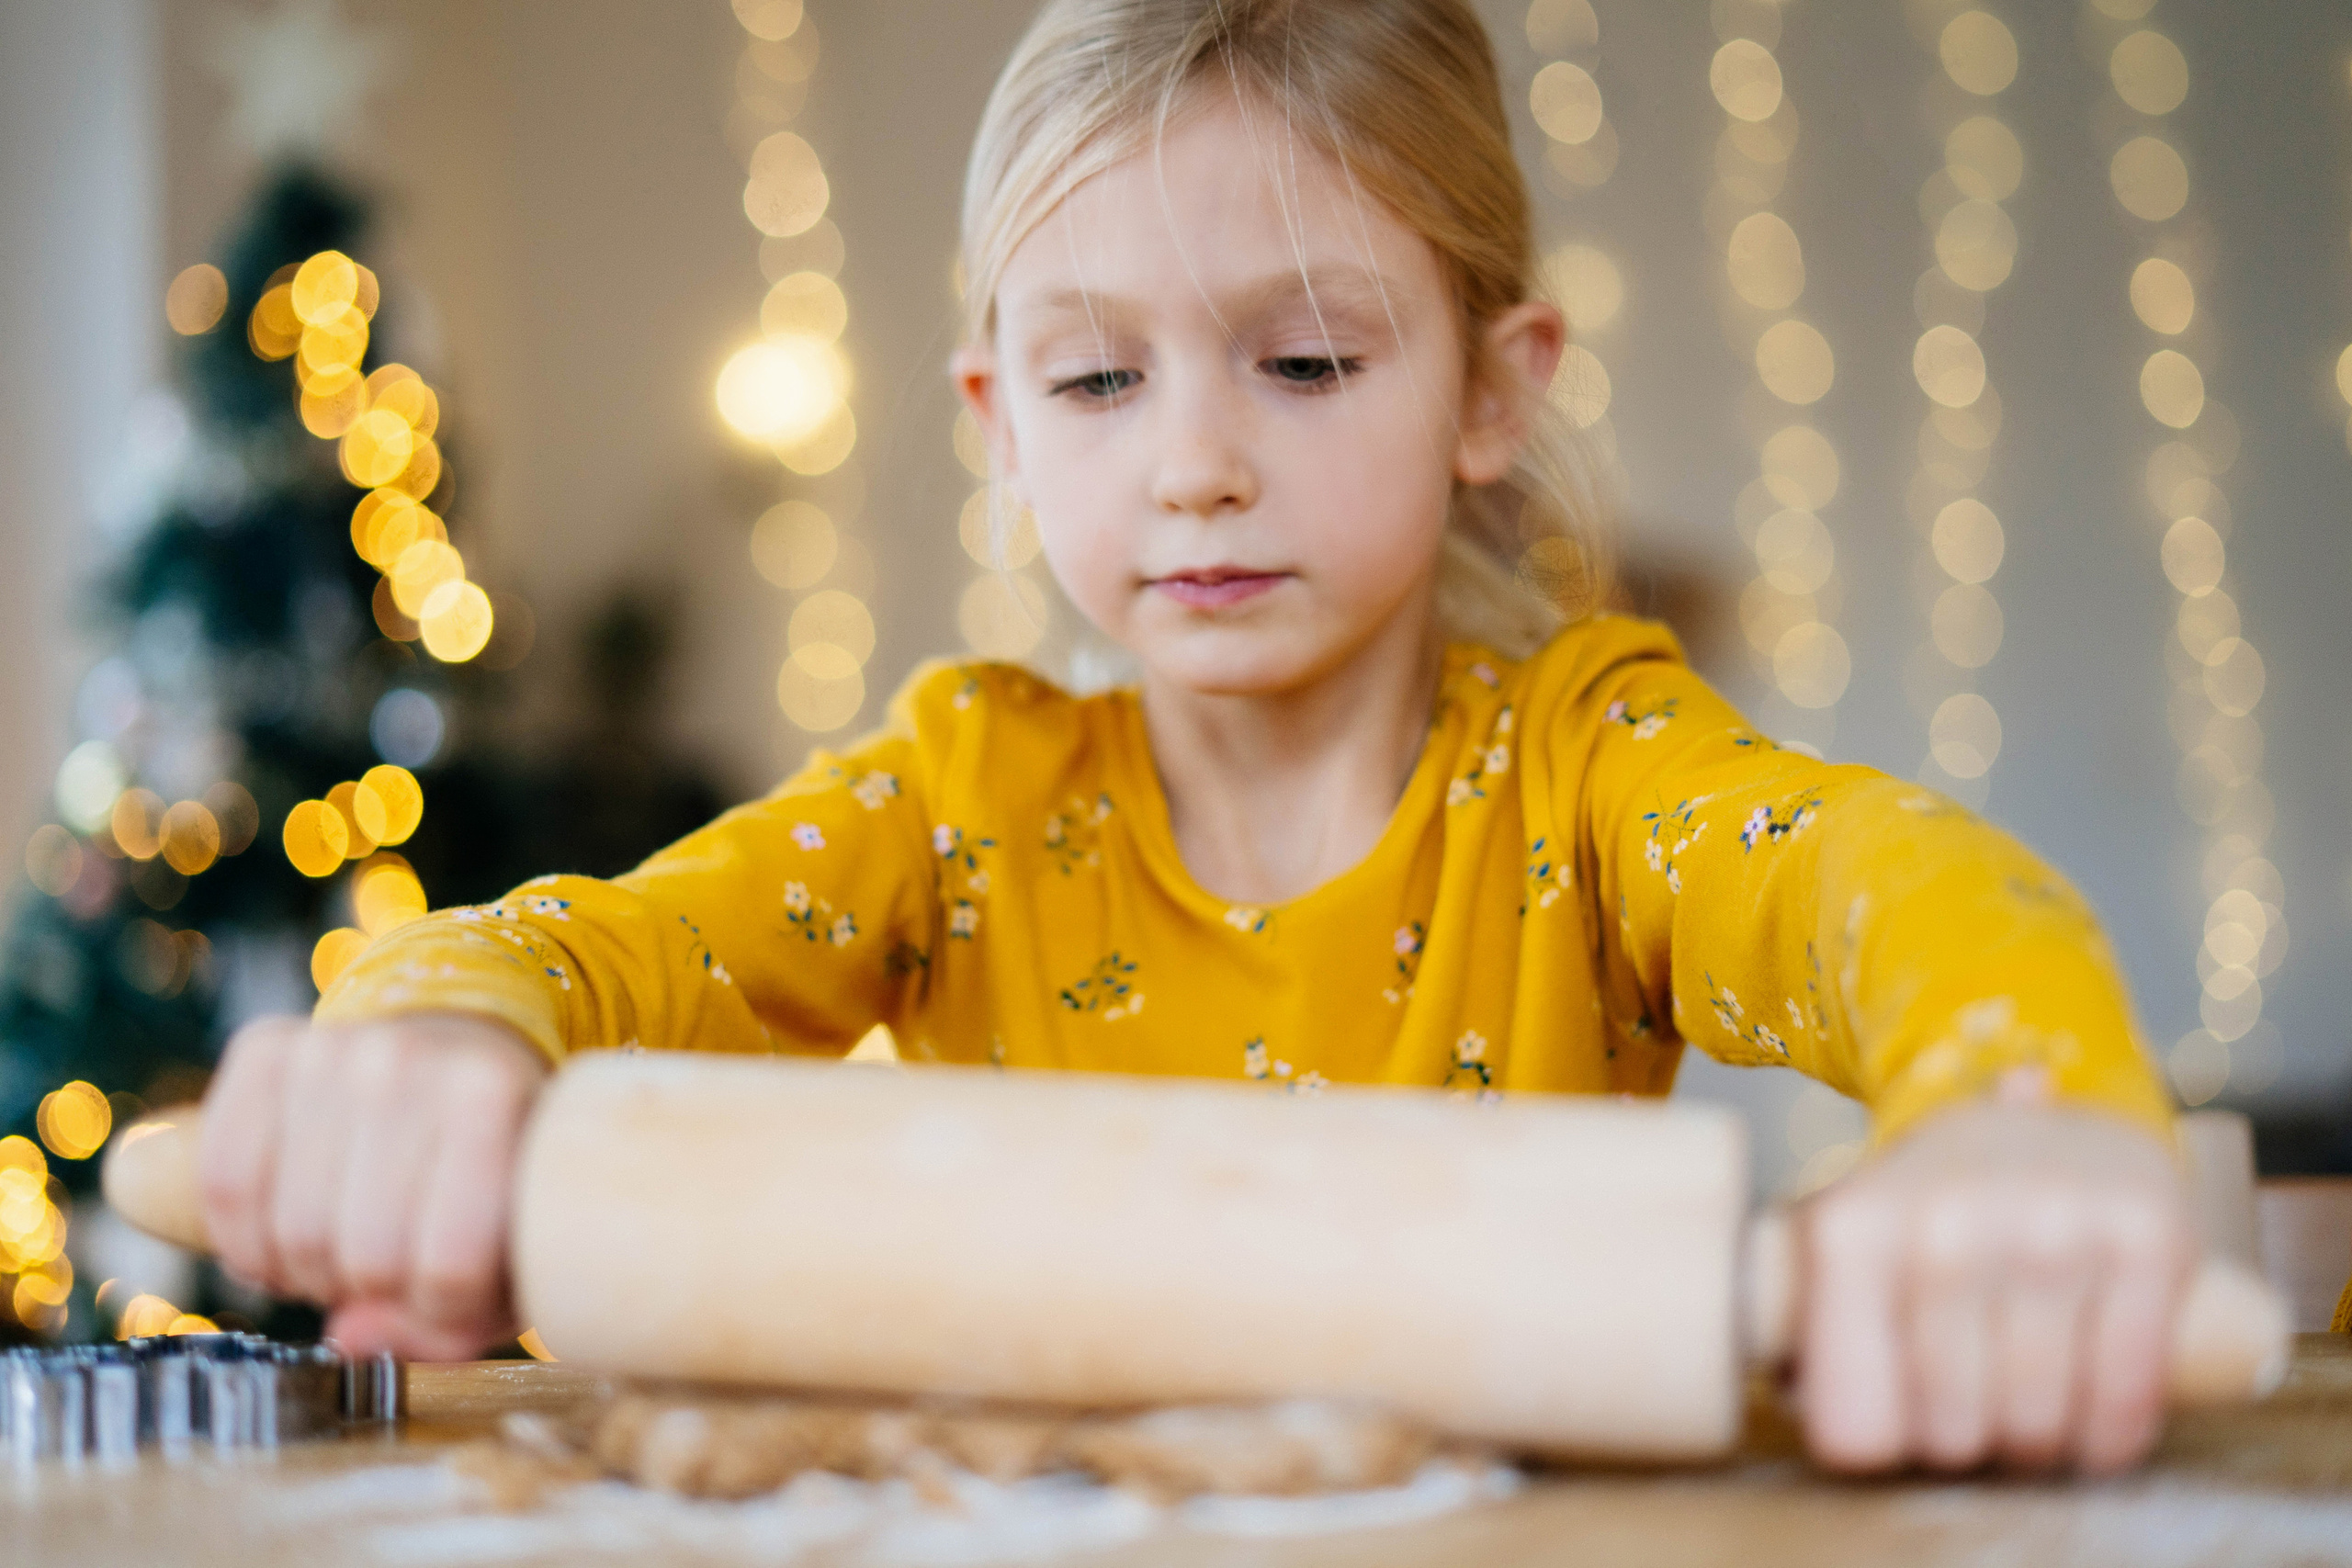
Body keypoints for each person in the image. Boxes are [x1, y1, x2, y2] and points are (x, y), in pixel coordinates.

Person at [198, 0, 2193, 1476]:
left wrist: (2013, 1112)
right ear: (994, 418)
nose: (1196, 467)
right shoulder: (956, 805)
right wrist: (438, 1035)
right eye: (1094, 377)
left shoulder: (1585, 778)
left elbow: (1882, 885)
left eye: (1307, 358)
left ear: (1491, 390)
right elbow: (603, 948)